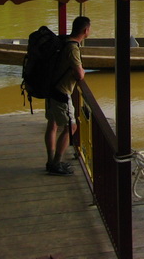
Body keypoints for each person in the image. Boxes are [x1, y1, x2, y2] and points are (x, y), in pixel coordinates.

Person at [44, 16, 89, 175]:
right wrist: (82, 71)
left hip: (50, 89)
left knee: (53, 124)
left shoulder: (63, 42)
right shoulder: (72, 48)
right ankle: (56, 163)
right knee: (72, 126)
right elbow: (79, 75)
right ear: (86, 31)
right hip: (62, 93)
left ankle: (50, 161)